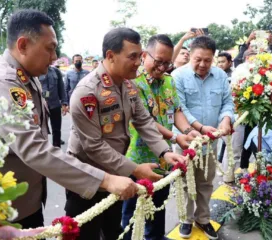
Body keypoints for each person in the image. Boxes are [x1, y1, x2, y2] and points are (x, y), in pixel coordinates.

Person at [0, 9, 138, 230]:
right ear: (23, 45)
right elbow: (34, 149)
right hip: (3, 213)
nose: (55, 57)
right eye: (50, 48)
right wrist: (106, 180)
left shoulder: (27, 76)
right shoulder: (2, 83)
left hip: (23, 203)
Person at [66, 28, 187, 240]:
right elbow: (93, 146)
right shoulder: (88, 92)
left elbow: (143, 120)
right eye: (132, 57)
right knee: (87, 234)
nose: (138, 62)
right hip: (87, 180)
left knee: (114, 231)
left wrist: (164, 152)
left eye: (139, 56)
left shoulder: (128, 85)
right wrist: (135, 170)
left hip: (116, 175)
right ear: (110, 56)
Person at [122, 34, 201, 240]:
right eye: (159, 61)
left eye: (167, 62)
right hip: (137, 159)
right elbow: (144, 121)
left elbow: (176, 111)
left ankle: (156, 237)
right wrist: (176, 137)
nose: (163, 67)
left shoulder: (168, 81)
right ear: (144, 55)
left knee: (159, 205)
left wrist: (186, 131)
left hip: (164, 157)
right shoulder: (132, 82)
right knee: (133, 211)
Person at [172, 36, 234, 240]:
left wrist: (226, 119)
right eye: (198, 59)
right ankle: (186, 219)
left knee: (206, 182)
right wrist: (199, 127)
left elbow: (227, 102)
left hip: (211, 142)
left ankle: (203, 218)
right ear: (190, 54)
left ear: (213, 58)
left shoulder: (220, 76)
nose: (202, 65)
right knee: (185, 183)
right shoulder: (178, 76)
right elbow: (180, 108)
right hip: (187, 143)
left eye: (207, 60)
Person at [39, 65, 69, 147]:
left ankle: (57, 150)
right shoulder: (36, 70)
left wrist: (64, 103)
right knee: (41, 130)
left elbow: (61, 88)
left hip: (55, 104)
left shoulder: (56, 71)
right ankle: (43, 151)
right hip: (41, 105)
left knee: (56, 130)